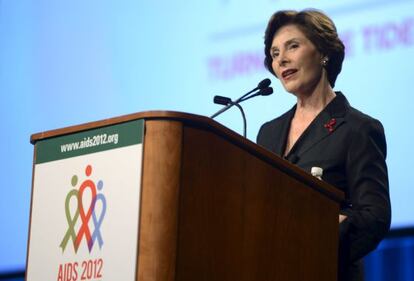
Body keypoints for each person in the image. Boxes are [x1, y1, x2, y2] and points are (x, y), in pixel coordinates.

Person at [256, 9, 391, 281]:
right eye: (274, 53)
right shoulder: (268, 133)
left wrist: (324, 231)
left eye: (293, 46)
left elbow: (375, 216)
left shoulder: (358, 129)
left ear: (323, 53)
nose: (282, 59)